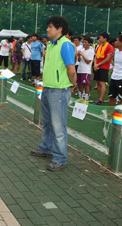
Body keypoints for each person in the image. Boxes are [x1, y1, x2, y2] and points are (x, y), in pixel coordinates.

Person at [30, 16, 76, 172]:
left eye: (50, 26)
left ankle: (59, 158)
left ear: (59, 29)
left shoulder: (66, 45)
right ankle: (46, 148)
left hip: (59, 91)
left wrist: (72, 85)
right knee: (47, 123)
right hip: (48, 88)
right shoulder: (50, 45)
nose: (47, 29)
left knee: (58, 126)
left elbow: (71, 69)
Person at [93, 32, 114, 105]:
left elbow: (108, 59)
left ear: (105, 38)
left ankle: (101, 98)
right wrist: (95, 64)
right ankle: (99, 97)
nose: (99, 39)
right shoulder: (99, 47)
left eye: (101, 37)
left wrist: (98, 64)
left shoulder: (109, 47)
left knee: (102, 83)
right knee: (98, 82)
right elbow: (95, 56)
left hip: (104, 67)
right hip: (98, 66)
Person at [76, 36, 94, 102]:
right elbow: (79, 60)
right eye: (83, 42)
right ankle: (80, 97)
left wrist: (83, 55)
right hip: (80, 69)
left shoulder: (91, 51)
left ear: (89, 44)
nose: (84, 43)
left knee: (86, 84)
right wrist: (79, 56)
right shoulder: (82, 50)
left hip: (86, 70)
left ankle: (86, 98)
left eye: (86, 42)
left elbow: (88, 61)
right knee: (79, 84)